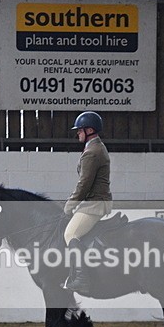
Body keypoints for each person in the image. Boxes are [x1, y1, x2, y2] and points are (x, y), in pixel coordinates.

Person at [62, 111, 113, 292]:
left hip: (95, 204)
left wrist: (69, 206)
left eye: (80, 130)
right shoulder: (96, 148)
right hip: (96, 202)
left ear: (89, 130)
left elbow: (84, 184)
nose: (78, 133)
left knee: (70, 234)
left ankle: (82, 278)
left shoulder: (92, 152)